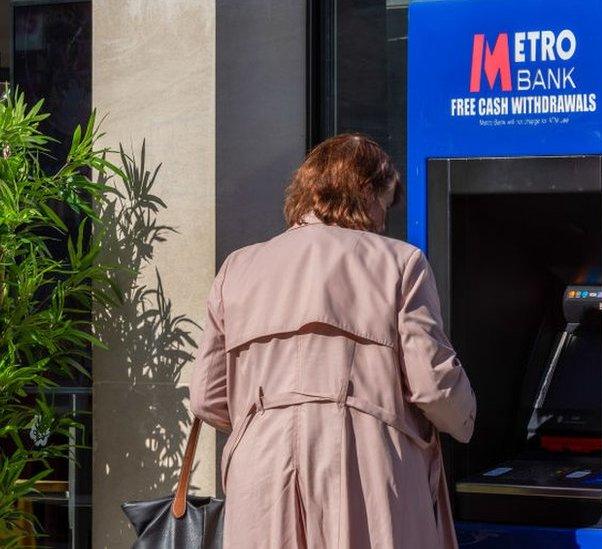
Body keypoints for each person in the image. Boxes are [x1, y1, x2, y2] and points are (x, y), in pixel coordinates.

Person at [189, 133, 476, 548]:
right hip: (366, 463)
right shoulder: (400, 263)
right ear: (366, 191)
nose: (384, 216)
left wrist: (272, 413)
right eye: (386, 199)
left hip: (261, 467)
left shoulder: (238, 267)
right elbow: (434, 386)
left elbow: (208, 398)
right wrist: (469, 420)